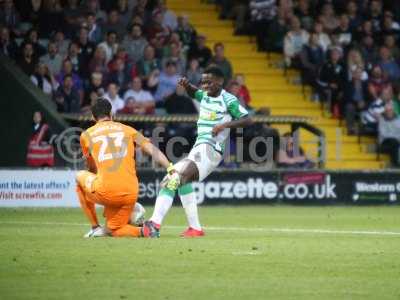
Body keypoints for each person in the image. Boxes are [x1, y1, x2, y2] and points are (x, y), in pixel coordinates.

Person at [147, 66, 252, 237]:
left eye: (208, 82)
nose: (204, 85)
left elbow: (248, 119)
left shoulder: (228, 99)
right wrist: (187, 85)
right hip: (200, 147)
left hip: (211, 148)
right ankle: (195, 228)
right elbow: (194, 92)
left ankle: (154, 225)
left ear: (220, 82)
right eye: (203, 82)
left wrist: (224, 125)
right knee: (181, 181)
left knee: (172, 179)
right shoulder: (205, 96)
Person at [76, 98, 173, 238]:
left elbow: (91, 168)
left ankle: (95, 227)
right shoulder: (128, 130)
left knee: (78, 176)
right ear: (111, 113)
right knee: (112, 230)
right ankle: (145, 231)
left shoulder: (86, 135)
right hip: (130, 193)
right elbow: (151, 149)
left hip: (106, 190)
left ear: (92, 117)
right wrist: (170, 167)